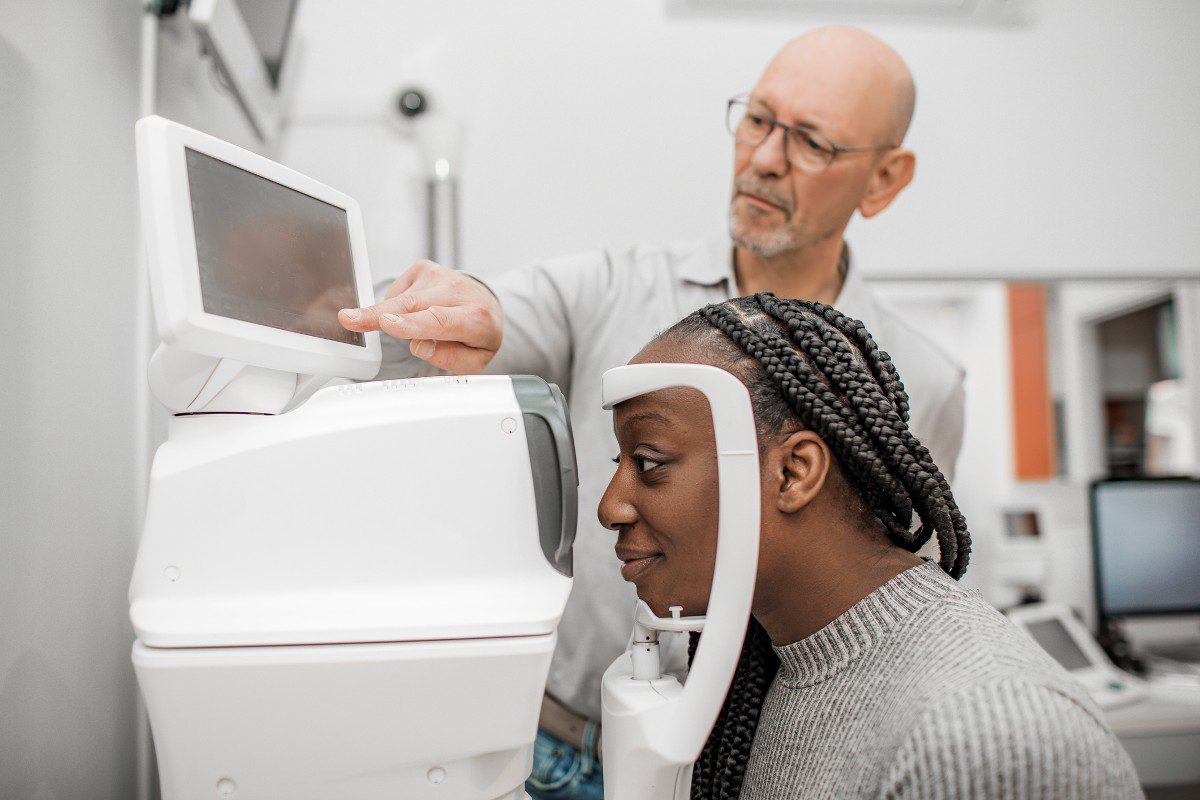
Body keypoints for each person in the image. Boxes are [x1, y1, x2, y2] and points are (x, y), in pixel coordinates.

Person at [339, 27, 966, 799]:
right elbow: (479, 322)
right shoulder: (611, 290)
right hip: (562, 755)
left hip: (754, 772)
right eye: (758, 119)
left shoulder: (916, 386)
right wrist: (465, 313)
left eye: (811, 142)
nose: (765, 157)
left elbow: (900, 613)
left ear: (884, 179)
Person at [600, 294, 1143, 799]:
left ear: (792, 472)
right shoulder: (760, 660)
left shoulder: (992, 735)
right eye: (617, 465)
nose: (610, 507)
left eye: (649, 463)